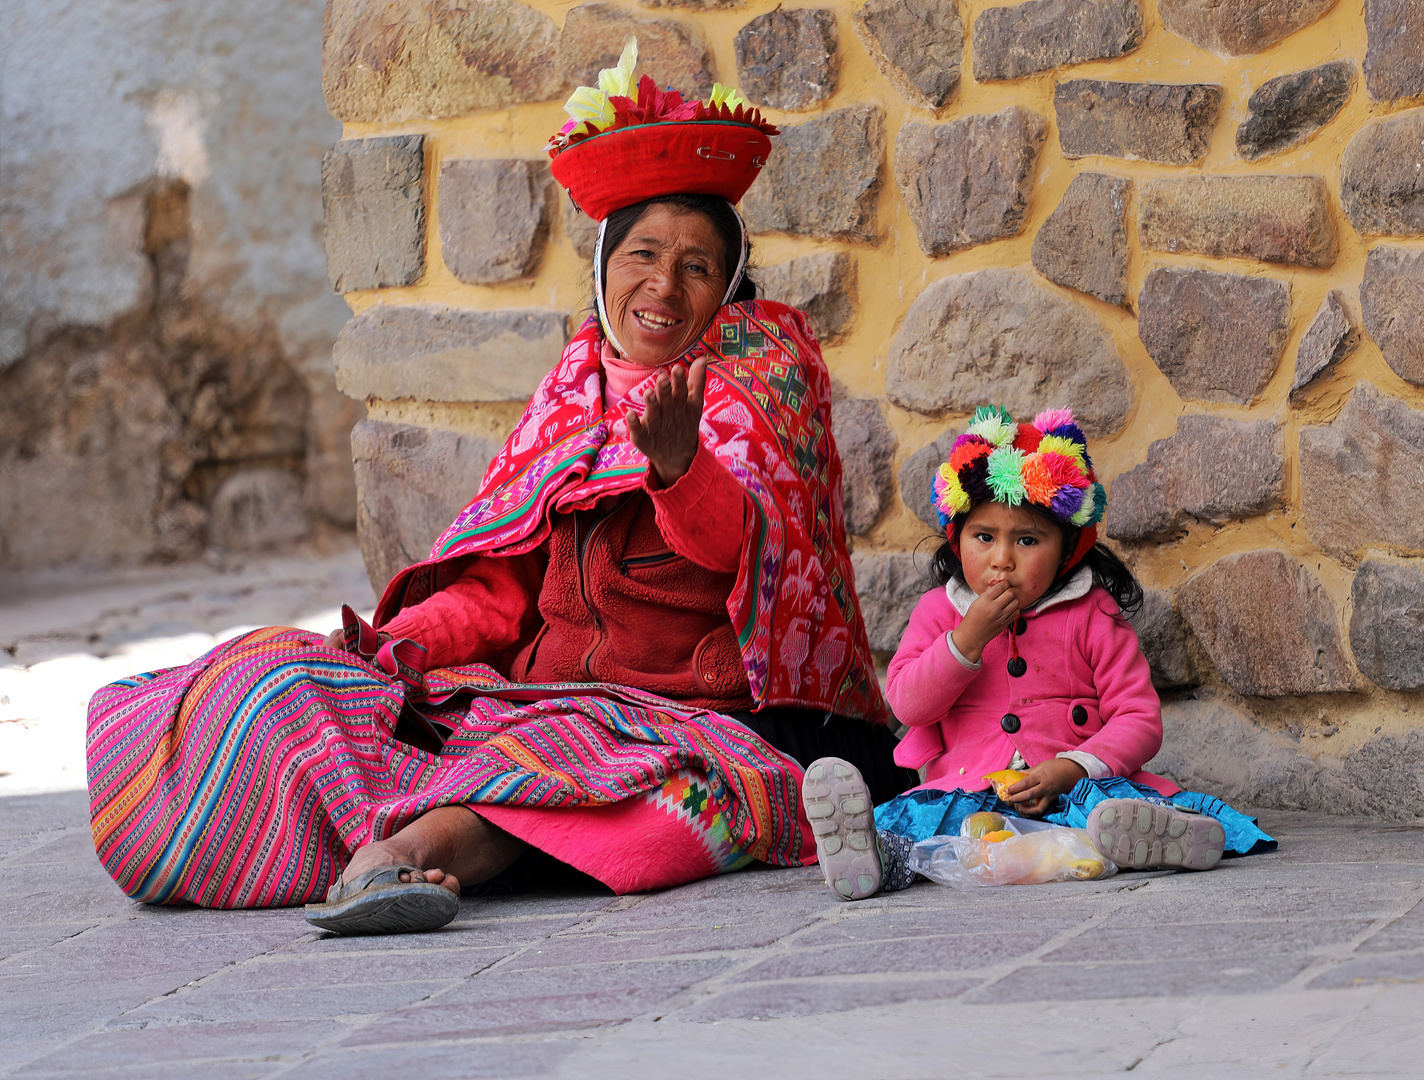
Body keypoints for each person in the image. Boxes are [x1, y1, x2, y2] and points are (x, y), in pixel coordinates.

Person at [86, 42, 908, 935]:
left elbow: (753, 565)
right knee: (276, 675)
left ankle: (391, 861)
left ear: (727, 288)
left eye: (696, 266)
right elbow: (498, 583)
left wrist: (679, 468)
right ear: (603, 269)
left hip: (686, 712)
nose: (663, 286)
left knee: (575, 771)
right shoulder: (570, 392)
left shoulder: (763, 374)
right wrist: (394, 648)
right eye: (641, 254)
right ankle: (366, 835)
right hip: (529, 694)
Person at [801, 406, 1276, 900]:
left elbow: (1137, 717)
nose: (1002, 559)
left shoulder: (1092, 612)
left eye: (1027, 540)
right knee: (932, 838)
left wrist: (1071, 767)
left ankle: (1145, 840)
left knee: (1096, 821)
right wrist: (968, 639)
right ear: (957, 537)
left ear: (1068, 547)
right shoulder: (939, 612)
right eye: (983, 537)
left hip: (1072, 789)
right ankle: (869, 858)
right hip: (965, 795)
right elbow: (907, 704)